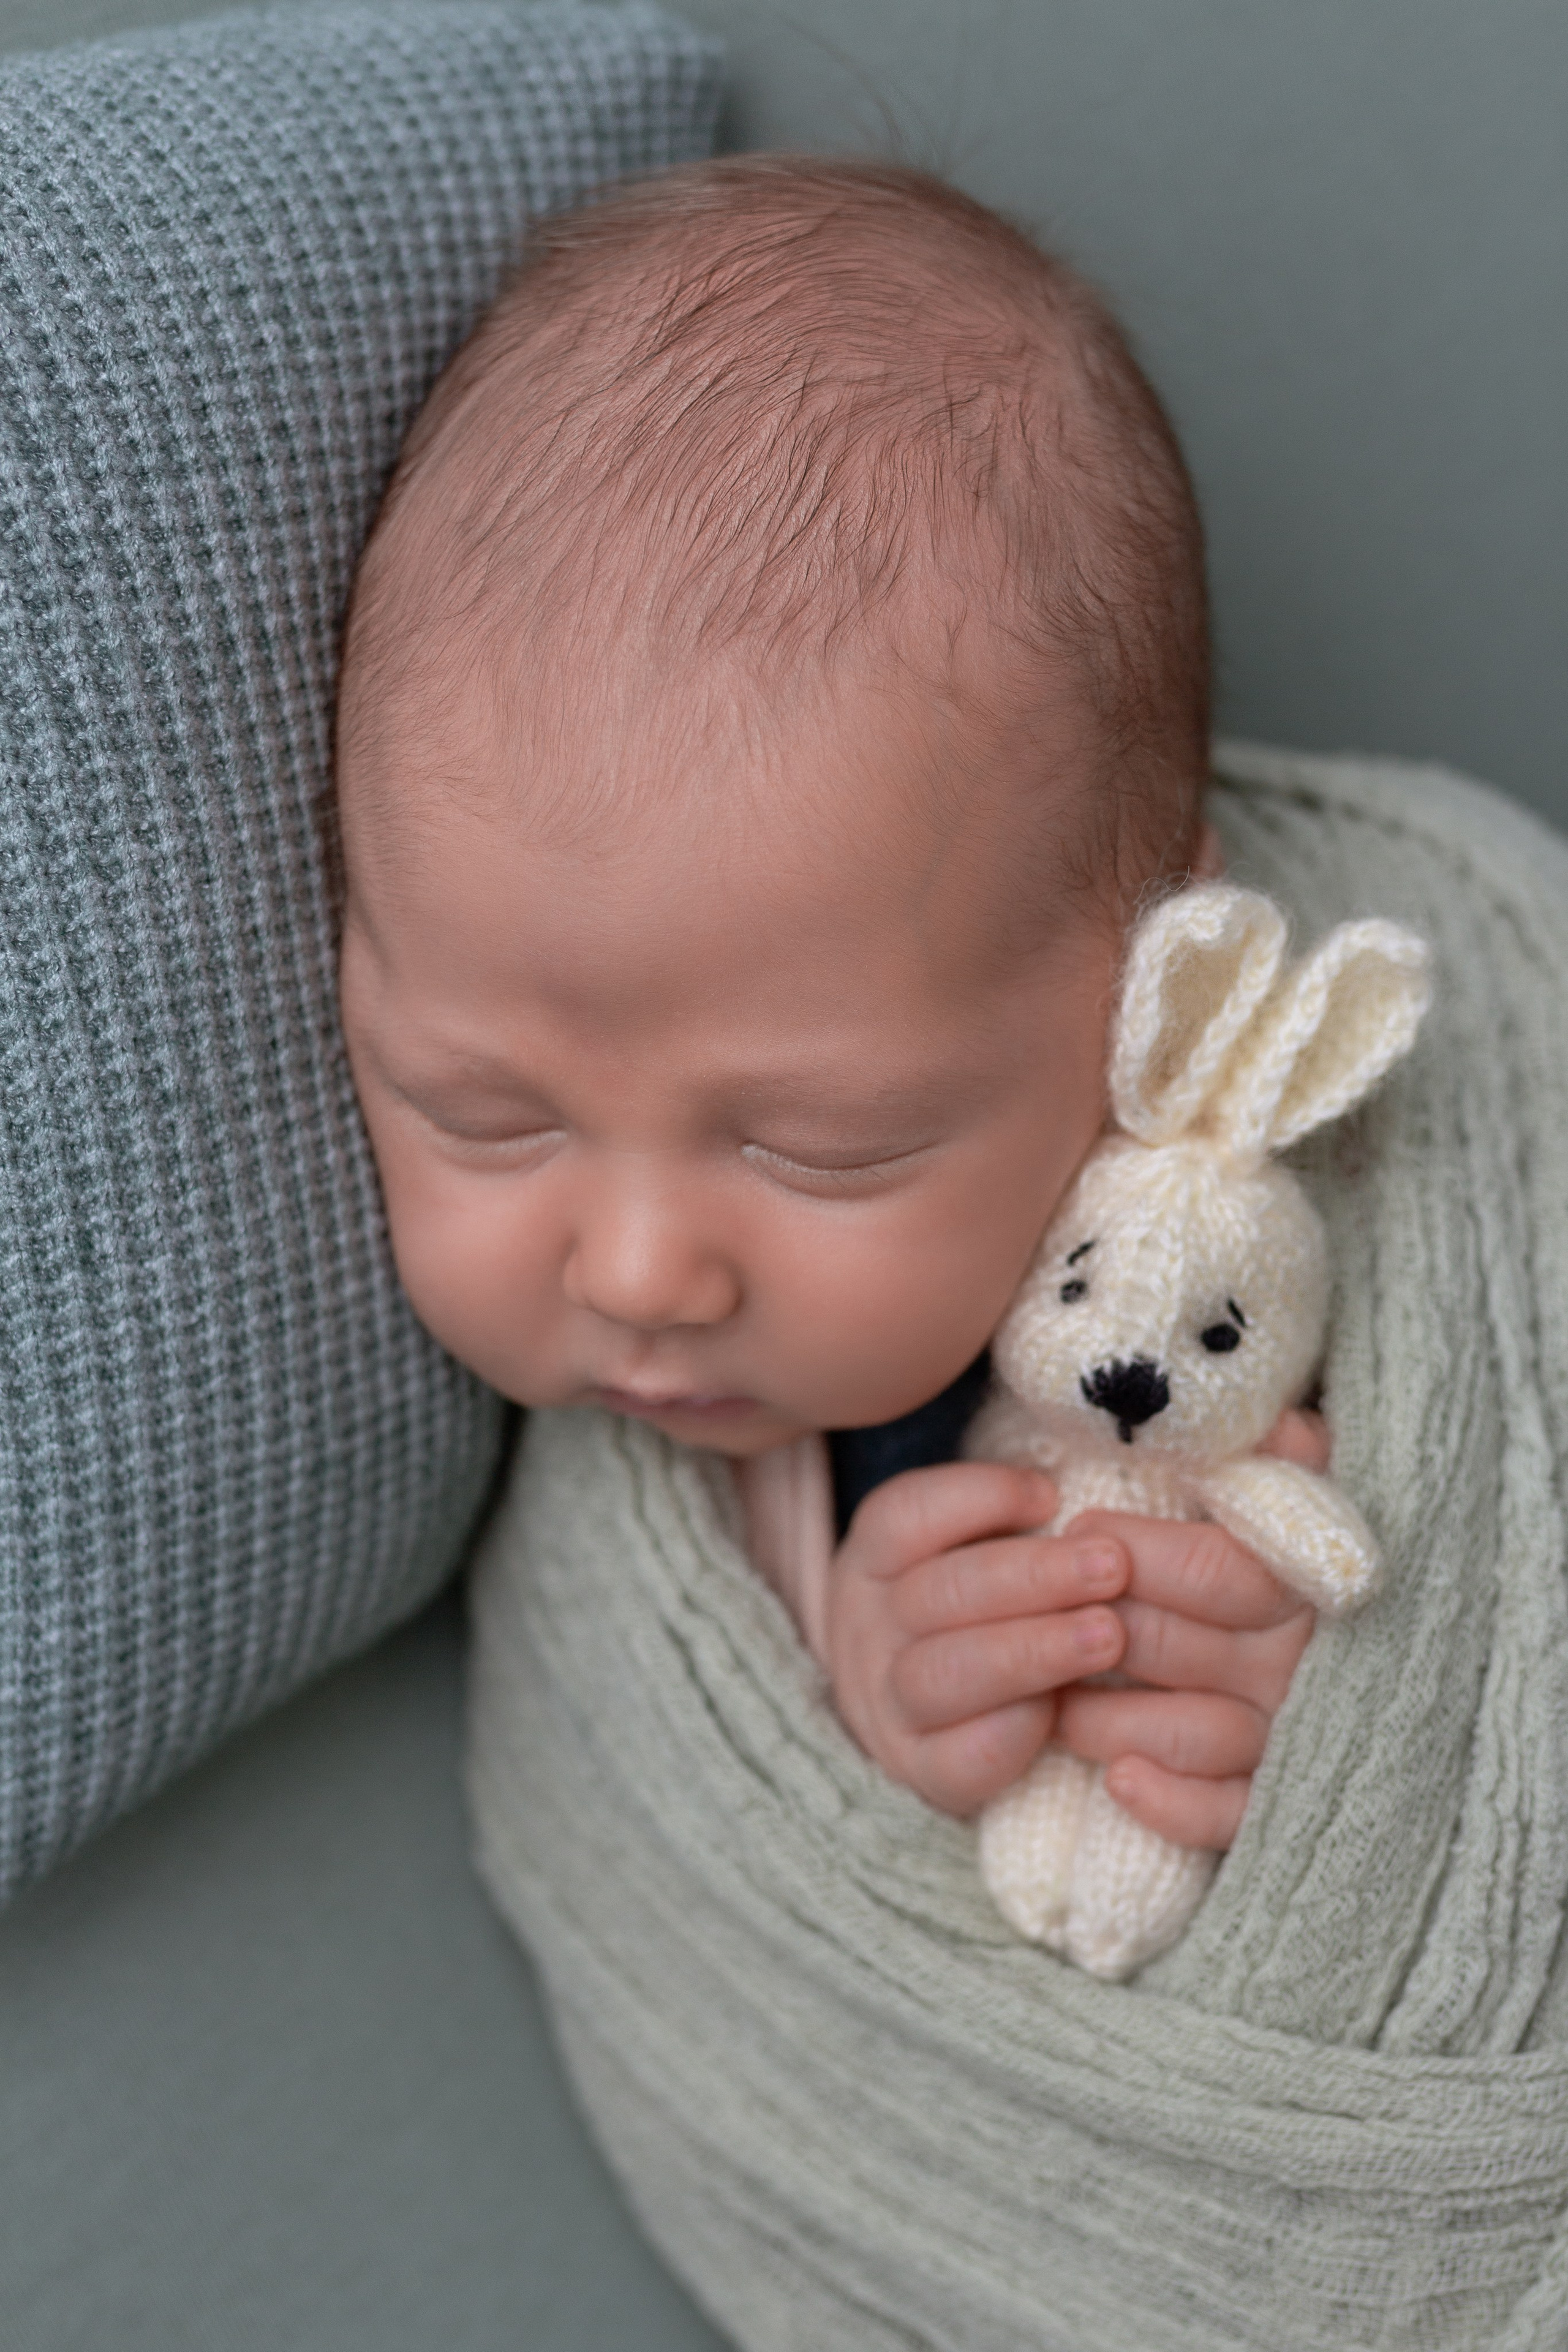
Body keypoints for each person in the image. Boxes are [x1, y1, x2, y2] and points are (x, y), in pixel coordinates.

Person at [334, 155, 1322, 1857]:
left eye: (818, 1150)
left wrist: (1305, 1717)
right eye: (483, 1113)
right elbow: (695, 1810)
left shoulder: (1275, 1230)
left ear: (1162, 984)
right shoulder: (601, 1493)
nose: (635, 1273)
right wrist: (866, 1710)